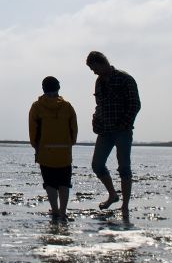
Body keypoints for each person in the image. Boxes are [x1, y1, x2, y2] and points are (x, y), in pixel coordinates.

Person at [86, 50, 141, 219]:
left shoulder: (125, 79)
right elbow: (99, 105)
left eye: (94, 68)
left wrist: (123, 124)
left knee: (124, 168)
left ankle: (125, 206)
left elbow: (135, 105)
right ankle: (113, 195)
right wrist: (96, 120)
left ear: (102, 63)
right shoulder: (99, 82)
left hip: (122, 131)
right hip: (105, 131)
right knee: (97, 165)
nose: (93, 72)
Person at [28, 76, 78, 220]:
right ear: (58, 88)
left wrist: (35, 146)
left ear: (43, 89)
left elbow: (33, 129)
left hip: (45, 151)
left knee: (49, 183)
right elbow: (74, 128)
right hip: (64, 151)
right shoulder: (67, 106)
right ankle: (63, 211)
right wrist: (70, 143)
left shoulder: (37, 106)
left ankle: (55, 211)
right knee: (64, 182)